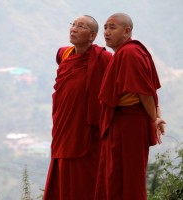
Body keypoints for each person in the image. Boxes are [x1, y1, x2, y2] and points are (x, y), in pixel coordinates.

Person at [94, 13, 166, 200]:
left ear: (127, 31)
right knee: (117, 175)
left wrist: (154, 119)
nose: (106, 32)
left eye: (112, 27)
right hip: (124, 122)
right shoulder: (128, 52)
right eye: (105, 27)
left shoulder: (130, 53)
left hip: (129, 125)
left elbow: (144, 93)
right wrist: (156, 114)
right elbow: (150, 89)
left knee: (127, 177)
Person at [43, 15, 112, 200]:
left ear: (92, 35)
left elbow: (117, 85)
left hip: (88, 129)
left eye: (80, 26)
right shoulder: (64, 54)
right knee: (62, 165)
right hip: (64, 124)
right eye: (73, 24)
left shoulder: (103, 58)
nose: (73, 29)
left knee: (86, 177)